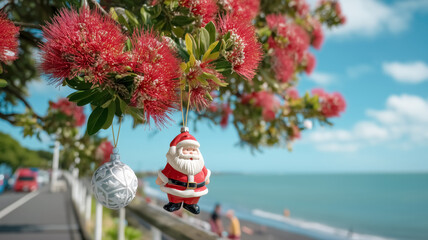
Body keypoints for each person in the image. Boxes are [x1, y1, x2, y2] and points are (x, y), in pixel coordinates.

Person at [155, 128, 211, 214]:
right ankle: (174, 203)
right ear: (179, 150)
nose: (191, 153)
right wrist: (160, 179)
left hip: (196, 191)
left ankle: (191, 204)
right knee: (174, 196)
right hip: (176, 189)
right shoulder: (174, 163)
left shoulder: (199, 163)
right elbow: (165, 173)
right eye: (187, 150)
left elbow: (205, 173)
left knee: (193, 198)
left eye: (193, 150)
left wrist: (206, 179)